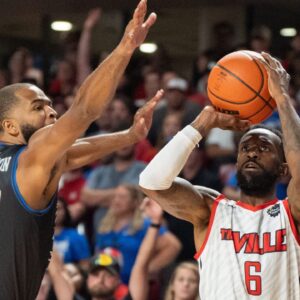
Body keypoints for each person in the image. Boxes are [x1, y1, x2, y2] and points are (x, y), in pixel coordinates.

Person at [0, 0, 159, 298]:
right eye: (38, 107)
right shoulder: (30, 159)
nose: (52, 112)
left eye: (50, 104)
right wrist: (125, 47)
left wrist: (128, 136)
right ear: (10, 127)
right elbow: (84, 110)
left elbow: (74, 153)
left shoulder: (33, 163)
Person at [139, 52, 300, 299]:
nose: (252, 153)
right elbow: (151, 182)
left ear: (284, 168)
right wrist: (203, 123)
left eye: (264, 148)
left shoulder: (292, 215)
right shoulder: (212, 210)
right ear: (236, 161)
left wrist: (282, 98)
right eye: (245, 148)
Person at [95, 184, 181, 284]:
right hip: (107, 285)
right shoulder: (105, 226)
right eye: (114, 196)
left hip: (132, 286)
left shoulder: (145, 225)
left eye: (122, 197)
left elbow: (173, 246)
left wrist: (146, 269)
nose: (116, 200)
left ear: (135, 202)